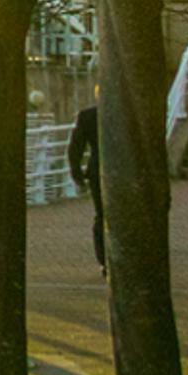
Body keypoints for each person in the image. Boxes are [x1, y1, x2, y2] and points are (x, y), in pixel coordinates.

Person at [71, 102, 105, 270]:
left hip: (97, 171)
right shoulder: (125, 113)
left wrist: (78, 176)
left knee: (101, 214)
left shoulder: (88, 116)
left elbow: (75, 148)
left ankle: (103, 259)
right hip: (125, 171)